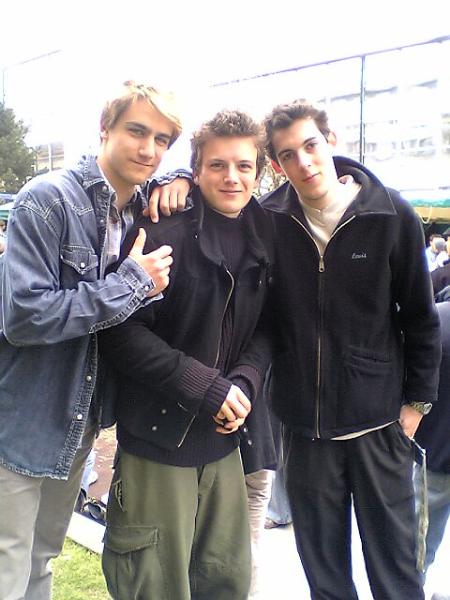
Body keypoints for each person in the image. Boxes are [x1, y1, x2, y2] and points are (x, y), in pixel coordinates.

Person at [0, 80, 185, 600]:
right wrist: (132, 283)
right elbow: (25, 316)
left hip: (81, 421)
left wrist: (184, 178)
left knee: (42, 558)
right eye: (137, 131)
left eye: (162, 140)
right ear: (105, 128)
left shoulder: (142, 210)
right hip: (23, 415)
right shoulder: (48, 199)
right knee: (8, 564)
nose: (149, 149)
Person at [260, 100, 441, 600]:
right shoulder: (269, 220)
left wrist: (416, 405)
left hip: (378, 426)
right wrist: (174, 180)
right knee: (325, 578)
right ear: (276, 164)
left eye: (311, 146)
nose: (304, 162)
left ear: (331, 142)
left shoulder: (390, 214)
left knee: (396, 572)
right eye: (288, 155)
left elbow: (420, 318)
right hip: (305, 431)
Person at [98, 109, 275, 600]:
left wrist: (244, 381)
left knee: (225, 580)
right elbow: (118, 331)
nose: (231, 177)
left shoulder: (265, 234)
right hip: (159, 441)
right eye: (217, 165)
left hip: (226, 446)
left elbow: (268, 327)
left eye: (243, 165)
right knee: (154, 584)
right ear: (195, 171)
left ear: (259, 173)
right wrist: (205, 387)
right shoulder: (161, 229)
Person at [413, 292, 450, 600]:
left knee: (421, 538)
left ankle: (411, 590)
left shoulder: (436, 319)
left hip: (435, 450)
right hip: (436, 451)